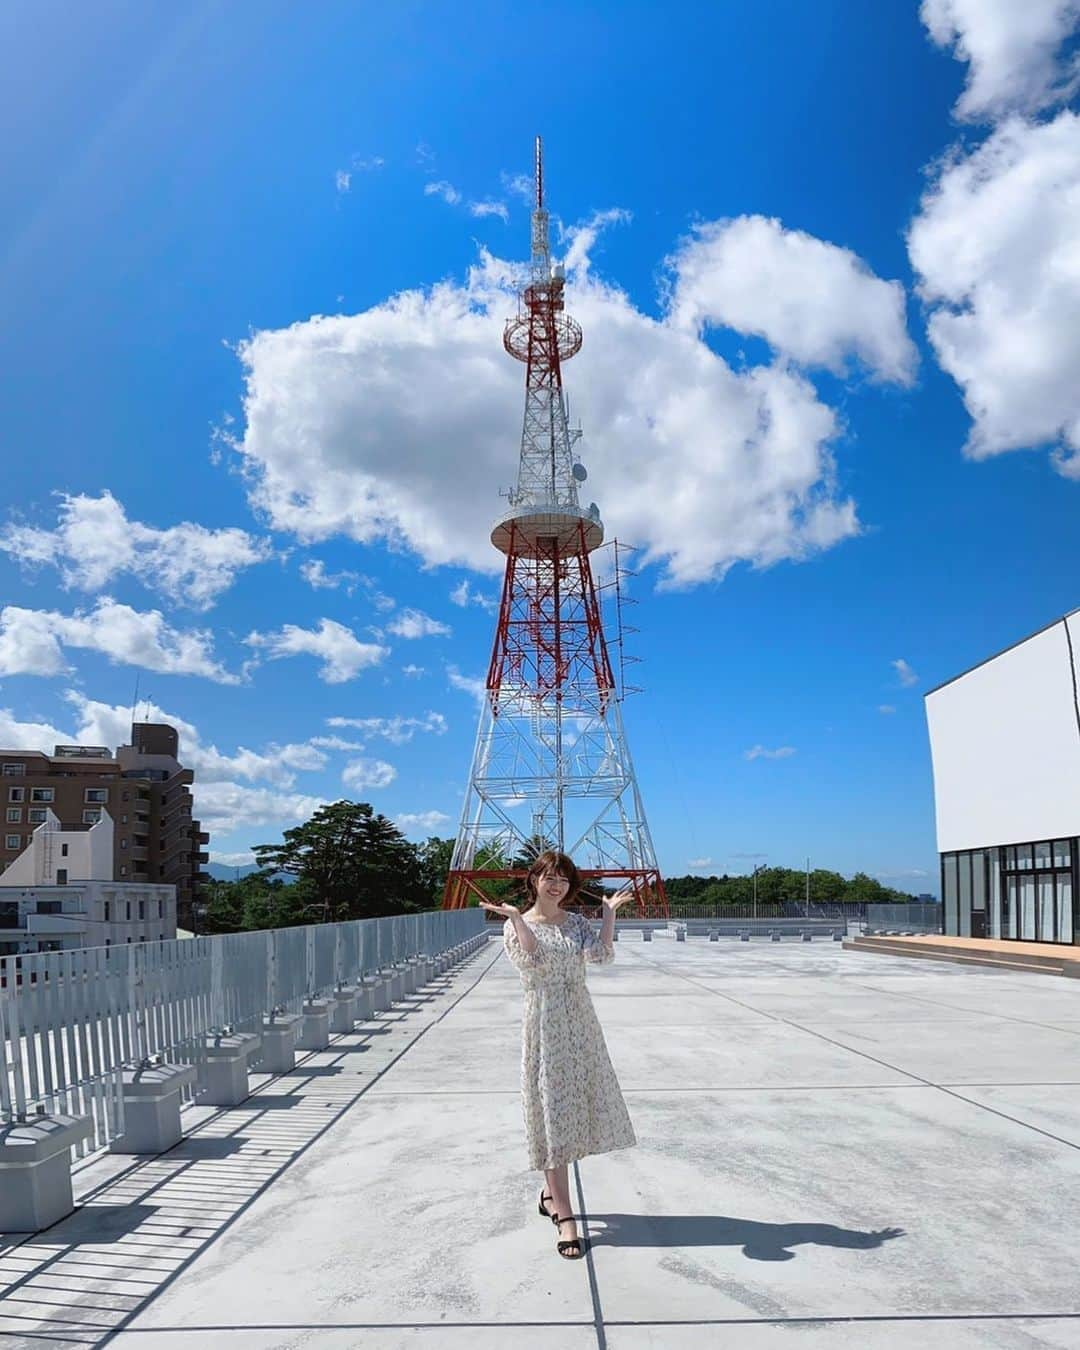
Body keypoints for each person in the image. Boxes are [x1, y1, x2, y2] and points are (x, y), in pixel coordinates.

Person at [479, 851, 637, 1260]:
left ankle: (550, 1195)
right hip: (545, 1023)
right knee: (551, 1112)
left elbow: (600, 957)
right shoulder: (517, 926)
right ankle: (565, 1216)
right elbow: (532, 962)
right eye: (549, 877)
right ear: (534, 880)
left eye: (563, 879)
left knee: (576, 1110)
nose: (557, 885)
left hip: (580, 1021)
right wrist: (516, 918)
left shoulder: (577, 923)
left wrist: (607, 915)